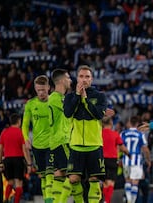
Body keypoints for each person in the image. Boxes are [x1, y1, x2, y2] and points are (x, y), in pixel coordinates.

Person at [60, 65, 107, 203]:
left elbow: (98, 115)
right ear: (77, 78)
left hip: (94, 144)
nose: (84, 79)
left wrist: (85, 100)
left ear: (91, 79)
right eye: (81, 76)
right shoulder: (69, 97)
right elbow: (68, 113)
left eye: (87, 76)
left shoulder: (100, 96)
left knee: (94, 179)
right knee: (73, 179)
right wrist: (77, 96)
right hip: (76, 145)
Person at [44, 68, 77, 203]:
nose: (70, 80)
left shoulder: (57, 98)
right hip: (62, 141)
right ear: (62, 80)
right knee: (76, 174)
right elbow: (70, 110)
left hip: (56, 141)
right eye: (68, 78)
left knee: (59, 175)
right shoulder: (56, 98)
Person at [21, 75, 51, 202]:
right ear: (35, 89)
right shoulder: (31, 104)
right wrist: (26, 138)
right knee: (43, 177)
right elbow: (25, 125)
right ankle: (47, 199)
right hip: (37, 146)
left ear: (49, 88)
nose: (41, 93)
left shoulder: (54, 101)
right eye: (38, 90)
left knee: (50, 175)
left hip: (52, 144)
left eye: (43, 90)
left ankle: (51, 200)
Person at [0, 113, 32, 203]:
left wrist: (0, 162)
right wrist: (29, 163)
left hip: (7, 160)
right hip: (18, 160)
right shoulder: (21, 132)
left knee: (10, 182)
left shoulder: (4, 132)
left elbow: (0, 149)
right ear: (19, 121)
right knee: (18, 184)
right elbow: (25, 150)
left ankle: (5, 200)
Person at [121, 116, 151, 203]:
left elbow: (120, 146)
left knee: (127, 180)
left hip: (126, 160)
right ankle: (132, 201)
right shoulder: (140, 134)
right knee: (135, 181)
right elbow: (145, 149)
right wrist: (148, 160)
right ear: (138, 124)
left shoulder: (123, 133)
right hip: (137, 161)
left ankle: (129, 200)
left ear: (130, 122)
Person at [102, 116, 130, 203]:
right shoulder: (115, 134)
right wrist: (129, 154)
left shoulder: (99, 133)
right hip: (112, 160)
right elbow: (122, 147)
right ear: (111, 124)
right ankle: (107, 201)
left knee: (105, 182)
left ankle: (105, 200)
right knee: (111, 183)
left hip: (101, 160)